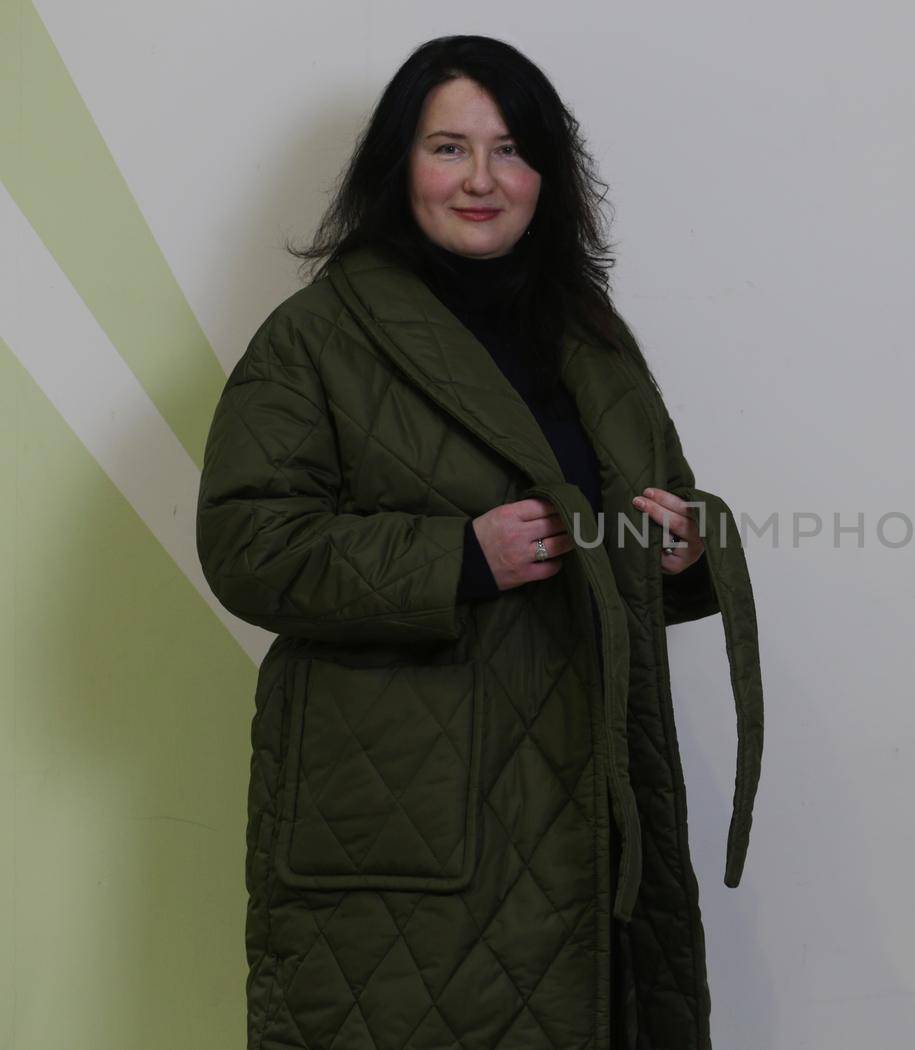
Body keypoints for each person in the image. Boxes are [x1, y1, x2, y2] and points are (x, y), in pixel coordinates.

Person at [195, 34, 765, 1050]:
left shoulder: (591, 338)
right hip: (411, 819)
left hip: (592, 799)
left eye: (509, 150)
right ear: (396, 165)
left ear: (547, 173)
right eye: (447, 148)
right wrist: (459, 557)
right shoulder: (318, 337)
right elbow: (249, 541)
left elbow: (651, 499)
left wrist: (683, 546)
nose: (481, 180)